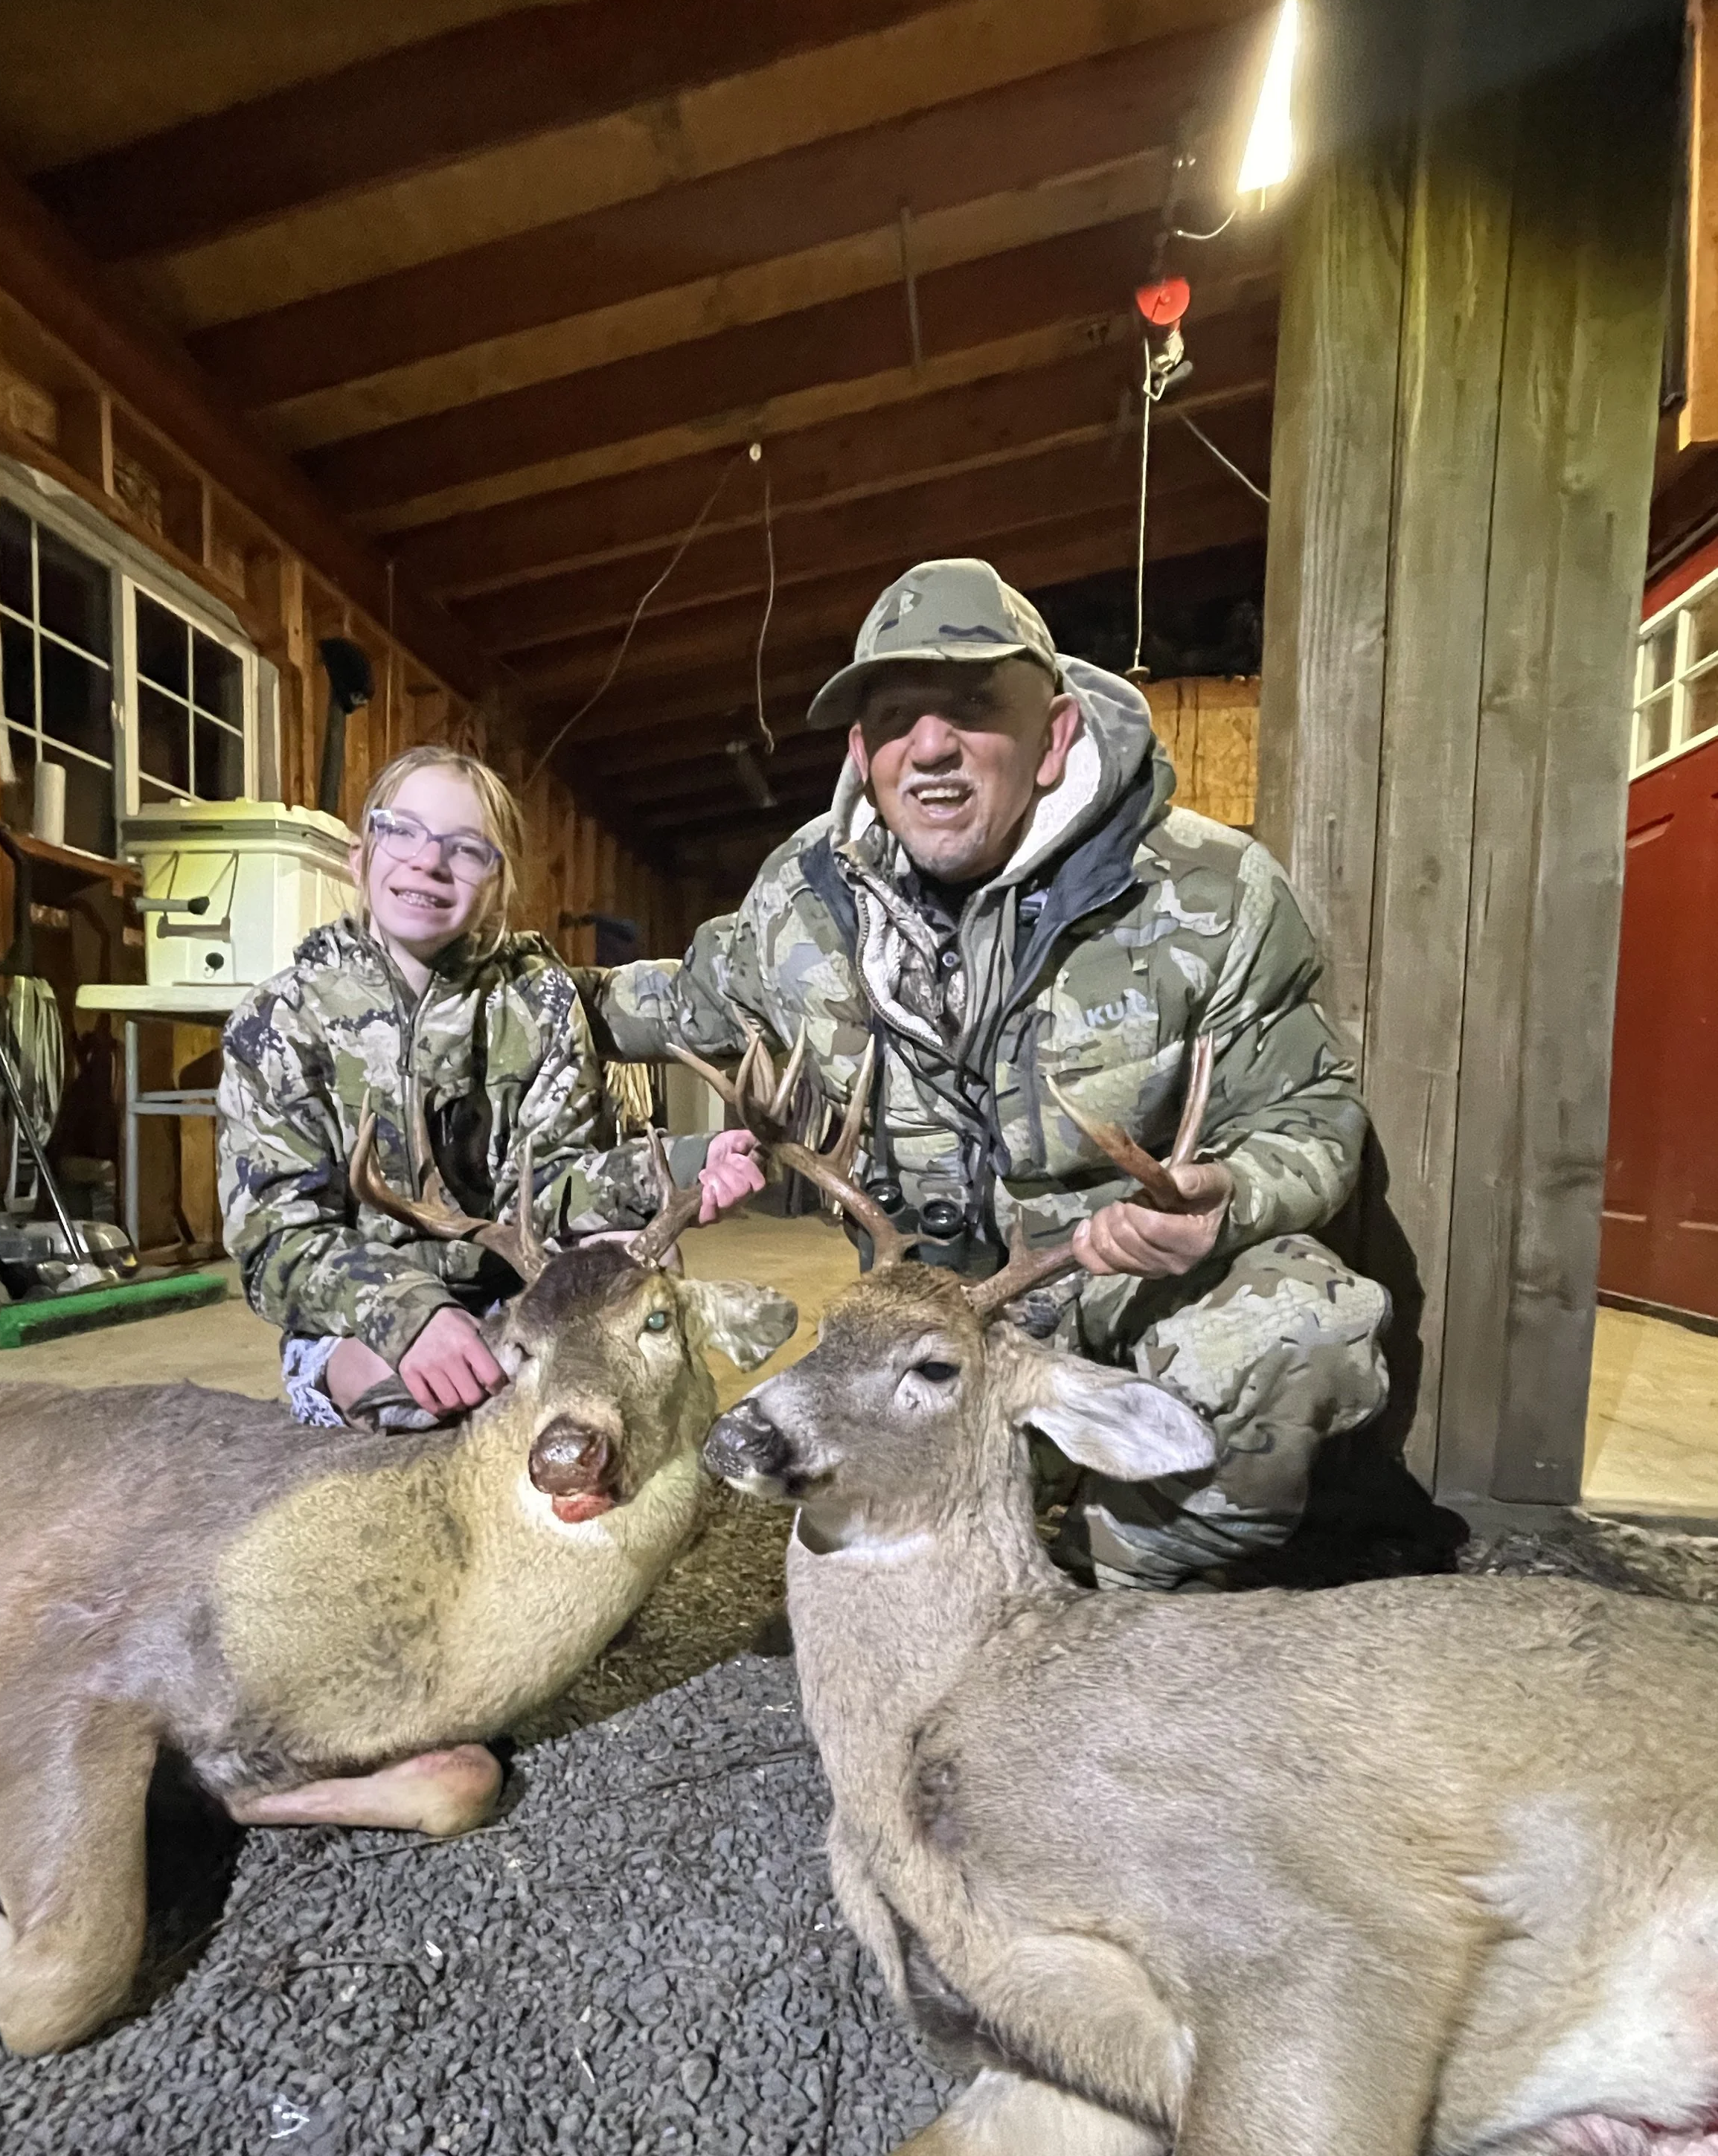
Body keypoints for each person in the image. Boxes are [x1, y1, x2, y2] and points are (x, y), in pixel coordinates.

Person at [594, 559, 1390, 1584]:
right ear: (861, 749)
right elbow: (664, 1003)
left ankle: (1115, 1593)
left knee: (1301, 1328)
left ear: (1054, 734)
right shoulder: (800, 901)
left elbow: (1315, 1115)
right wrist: (496, 976)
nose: (931, 747)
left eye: (973, 710)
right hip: (915, 1319)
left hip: (1111, 1299)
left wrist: (1225, 1195)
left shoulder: (1211, 893)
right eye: (896, 719)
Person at [217, 745, 763, 1430]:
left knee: (643, 1270)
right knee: (407, 1392)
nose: (428, 861)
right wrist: (407, 1311)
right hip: (360, 1313)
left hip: (517, 1292)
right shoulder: (277, 1022)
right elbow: (274, 1237)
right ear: (360, 856)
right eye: (402, 830)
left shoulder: (533, 1001)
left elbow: (551, 1184)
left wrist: (680, 1167)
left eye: (466, 849)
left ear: (497, 884)